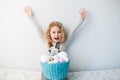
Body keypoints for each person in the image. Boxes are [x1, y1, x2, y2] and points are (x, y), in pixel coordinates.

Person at [24, 6, 87, 80]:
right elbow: (37, 29)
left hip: (60, 72)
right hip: (48, 72)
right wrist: (31, 16)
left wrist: (81, 20)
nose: (56, 34)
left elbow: (73, 32)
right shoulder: (46, 41)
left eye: (59, 32)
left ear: (62, 33)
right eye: (53, 32)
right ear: (49, 34)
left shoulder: (63, 43)